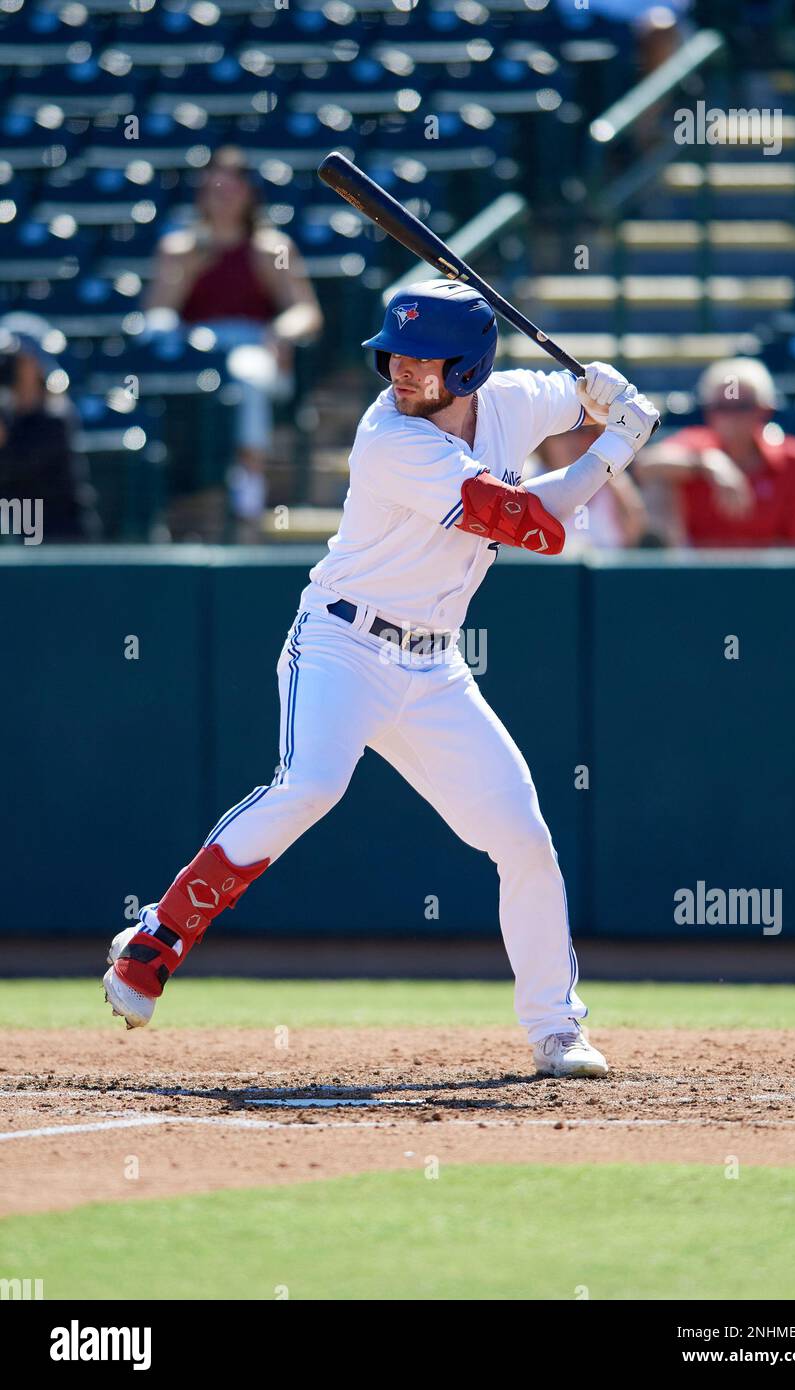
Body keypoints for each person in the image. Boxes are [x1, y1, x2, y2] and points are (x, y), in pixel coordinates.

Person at [102, 281, 658, 1079]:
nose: (398, 368)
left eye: (420, 356)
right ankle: (157, 937)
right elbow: (529, 525)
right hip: (341, 644)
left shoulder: (510, 401)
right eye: (392, 352)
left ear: (465, 368)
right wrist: (615, 446)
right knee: (309, 787)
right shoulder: (389, 438)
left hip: (433, 666)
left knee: (524, 841)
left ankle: (554, 1030)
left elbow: (572, 397)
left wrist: (602, 391)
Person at [145, 146, 323, 538]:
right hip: (193, 352)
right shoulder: (178, 249)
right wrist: (188, 268)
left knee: (246, 376)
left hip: (252, 347)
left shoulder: (272, 248)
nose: (223, 196)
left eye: (232, 187)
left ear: (249, 194)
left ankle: (249, 484)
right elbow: (157, 316)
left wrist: (279, 332)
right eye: (214, 188)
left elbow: (306, 312)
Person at [633, 358, 795, 546]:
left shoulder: (792, 460)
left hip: (768, 574)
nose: (731, 417)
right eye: (722, 407)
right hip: (697, 573)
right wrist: (707, 463)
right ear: (708, 411)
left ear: (765, 409)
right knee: (658, 485)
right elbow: (645, 465)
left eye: (743, 406)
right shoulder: (695, 445)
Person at [0, 320, 98, 542]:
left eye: (17, 359)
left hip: (58, 540)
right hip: (15, 537)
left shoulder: (56, 417)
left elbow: (17, 467)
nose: (8, 366)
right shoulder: (6, 413)